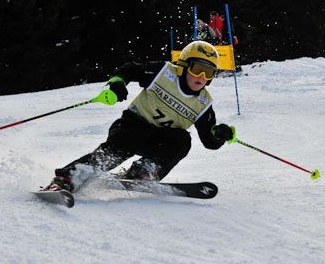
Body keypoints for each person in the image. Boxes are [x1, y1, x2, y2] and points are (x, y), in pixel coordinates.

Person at [45, 40, 236, 192]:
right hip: (132, 127)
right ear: (183, 65)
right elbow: (130, 69)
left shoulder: (203, 103)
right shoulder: (162, 73)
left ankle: (144, 171)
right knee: (119, 148)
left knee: (182, 140)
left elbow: (209, 141)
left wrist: (221, 134)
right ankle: (68, 178)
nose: (201, 76)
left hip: (160, 141)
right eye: (197, 69)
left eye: (209, 72)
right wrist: (118, 83)